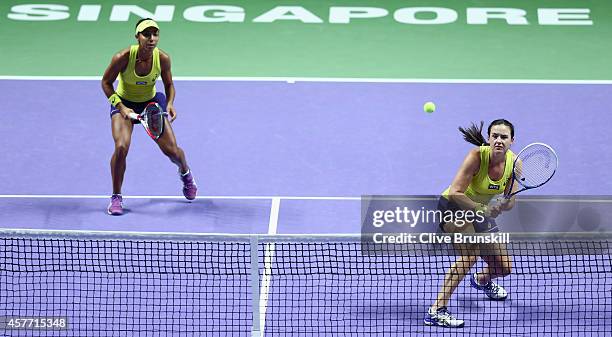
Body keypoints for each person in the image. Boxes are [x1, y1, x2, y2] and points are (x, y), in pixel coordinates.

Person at [424, 119, 517, 328]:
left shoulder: (514, 163)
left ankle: (482, 280)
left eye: (504, 137)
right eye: (495, 136)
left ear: (512, 141)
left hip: (479, 213)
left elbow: (511, 200)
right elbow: (456, 192)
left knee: (504, 267)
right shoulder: (476, 157)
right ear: (489, 138)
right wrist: (480, 209)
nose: (499, 141)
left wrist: (503, 204)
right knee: (470, 255)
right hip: (452, 207)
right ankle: (436, 310)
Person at [101, 18, 197, 215]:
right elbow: (105, 83)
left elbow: (169, 85)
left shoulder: (162, 59)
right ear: (137, 37)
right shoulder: (123, 57)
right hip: (124, 103)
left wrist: (169, 103)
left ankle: (185, 173)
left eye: (155, 34)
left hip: (151, 103)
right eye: (147, 34)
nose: (152, 38)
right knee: (121, 147)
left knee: (172, 152)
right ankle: (116, 197)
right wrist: (120, 106)